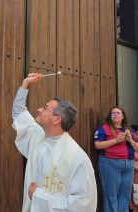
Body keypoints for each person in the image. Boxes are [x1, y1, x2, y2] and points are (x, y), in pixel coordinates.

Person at [12, 73, 97, 212]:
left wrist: (39, 196)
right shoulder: (37, 136)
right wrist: (25, 85)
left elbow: (83, 205)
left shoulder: (77, 157)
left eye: (45, 108)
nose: (39, 109)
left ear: (56, 119)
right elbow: (19, 113)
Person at [94, 107, 138, 212]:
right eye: (113, 113)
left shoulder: (130, 130)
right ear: (110, 116)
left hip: (128, 165)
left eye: (118, 113)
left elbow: (136, 147)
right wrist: (116, 140)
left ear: (123, 116)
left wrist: (130, 140)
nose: (115, 114)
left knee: (125, 196)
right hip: (110, 164)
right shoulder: (104, 128)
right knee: (111, 196)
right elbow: (97, 145)